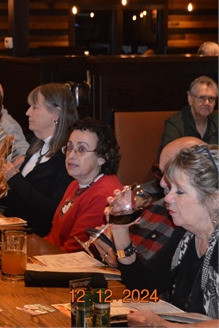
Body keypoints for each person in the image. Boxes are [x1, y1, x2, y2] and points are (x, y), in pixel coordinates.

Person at [109, 144, 219, 326]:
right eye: (170, 188)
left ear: (215, 199)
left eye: (179, 191)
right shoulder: (186, 236)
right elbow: (144, 286)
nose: (167, 197)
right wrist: (120, 230)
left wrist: (164, 325)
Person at [94, 136, 202, 266]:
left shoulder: (190, 225)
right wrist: (118, 236)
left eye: (169, 173)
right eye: (160, 173)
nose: (162, 183)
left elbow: (150, 273)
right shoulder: (155, 208)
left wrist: (119, 259)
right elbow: (142, 272)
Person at [0, 83, 78, 237]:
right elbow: (21, 199)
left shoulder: (66, 156)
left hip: (37, 237)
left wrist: (15, 179)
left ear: (55, 114)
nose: (27, 112)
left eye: (35, 107)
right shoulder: (36, 145)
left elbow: (53, 210)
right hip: (13, 229)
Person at [44, 118, 123, 252]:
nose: (71, 155)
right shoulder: (75, 184)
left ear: (102, 158)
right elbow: (54, 236)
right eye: (69, 147)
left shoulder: (104, 196)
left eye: (81, 149)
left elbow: (74, 250)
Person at [159, 76, 218, 156]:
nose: (207, 103)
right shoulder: (175, 124)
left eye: (211, 98)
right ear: (190, 99)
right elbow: (167, 156)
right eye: (202, 97)